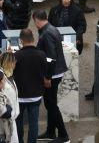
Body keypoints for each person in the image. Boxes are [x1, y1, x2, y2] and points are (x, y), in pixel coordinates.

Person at [34, 10, 68, 143]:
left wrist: (47, 77)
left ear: (37, 20)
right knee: (50, 103)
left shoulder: (46, 33)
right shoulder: (51, 28)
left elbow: (50, 58)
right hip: (56, 71)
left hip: (52, 74)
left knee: (51, 104)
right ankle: (51, 132)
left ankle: (63, 135)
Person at [13, 28, 47, 143]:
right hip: (36, 95)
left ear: (21, 41)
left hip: (20, 96)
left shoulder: (16, 56)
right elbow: (45, 72)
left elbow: (9, 73)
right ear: (33, 39)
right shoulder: (41, 54)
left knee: (18, 121)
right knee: (33, 123)